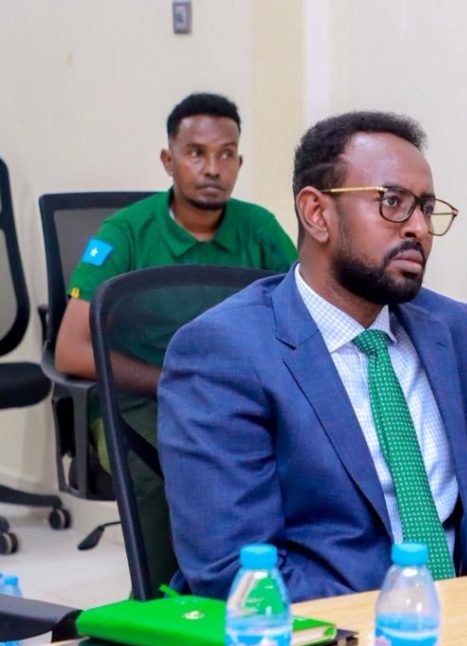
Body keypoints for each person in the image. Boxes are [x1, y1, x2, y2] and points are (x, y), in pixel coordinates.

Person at [158, 111, 467, 601]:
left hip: (466, 619)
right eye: (393, 202)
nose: (419, 227)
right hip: (323, 629)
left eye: (425, 207)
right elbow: (234, 572)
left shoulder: (456, 330)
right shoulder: (224, 353)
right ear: (316, 213)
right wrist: (408, 612)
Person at [53, 93, 295, 582]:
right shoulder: (125, 233)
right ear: (169, 160)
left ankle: (265, 592)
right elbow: (71, 350)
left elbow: (302, 316)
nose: (213, 168)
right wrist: (170, 381)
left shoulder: (259, 229)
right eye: (196, 153)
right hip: (140, 404)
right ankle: (166, 600)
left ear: (240, 163)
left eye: (226, 154)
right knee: (181, 472)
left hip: (234, 398)